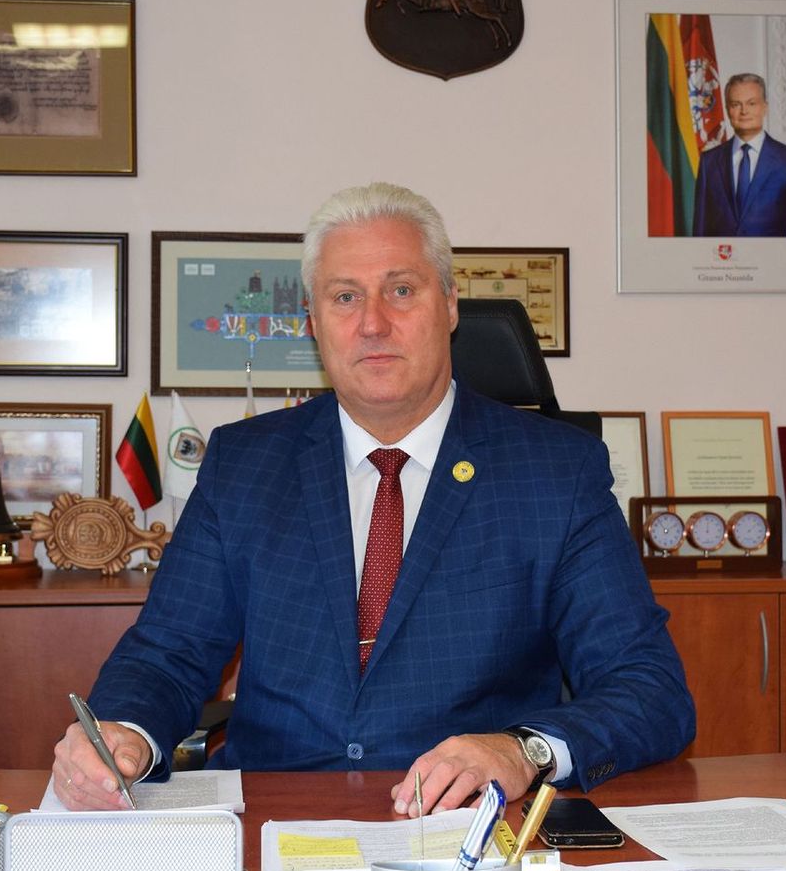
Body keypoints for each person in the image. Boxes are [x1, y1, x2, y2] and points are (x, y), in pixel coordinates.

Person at [53, 182, 694, 814]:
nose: (373, 323)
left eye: (402, 290)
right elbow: (169, 652)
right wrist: (124, 734)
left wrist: (523, 751)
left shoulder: (555, 472)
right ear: (313, 323)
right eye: (345, 297)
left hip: (464, 826)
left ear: (450, 305)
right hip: (277, 814)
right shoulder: (244, 465)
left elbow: (650, 689)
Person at [693, 72, 786, 237]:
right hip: (723, 254)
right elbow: (699, 231)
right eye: (736, 104)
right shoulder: (709, 162)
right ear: (727, 110)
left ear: (765, 107)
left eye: (752, 103)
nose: (744, 111)